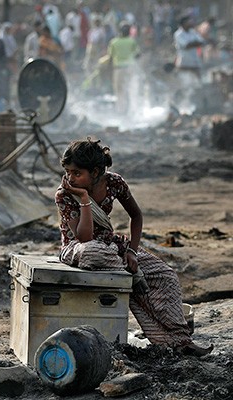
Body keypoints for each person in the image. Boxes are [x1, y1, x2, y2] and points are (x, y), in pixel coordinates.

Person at [55, 138, 214, 357]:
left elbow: (136, 215)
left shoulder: (114, 183)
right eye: (68, 172)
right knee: (94, 252)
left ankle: (180, 340)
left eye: (76, 173)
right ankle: (132, 275)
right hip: (79, 249)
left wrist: (131, 251)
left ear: (95, 172)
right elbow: (84, 238)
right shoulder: (65, 195)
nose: (70, 178)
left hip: (113, 249)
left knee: (165, 275)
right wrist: (83, 198)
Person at [107, 22, 139, 114]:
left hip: (118, 69)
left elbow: (111, 57)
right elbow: (137, 54)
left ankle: (121, 111)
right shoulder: (132, 41)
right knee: (130, 89)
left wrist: (109, 71)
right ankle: (131, 110)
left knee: (120, 91)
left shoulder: (114, 42)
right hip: (130, 68)